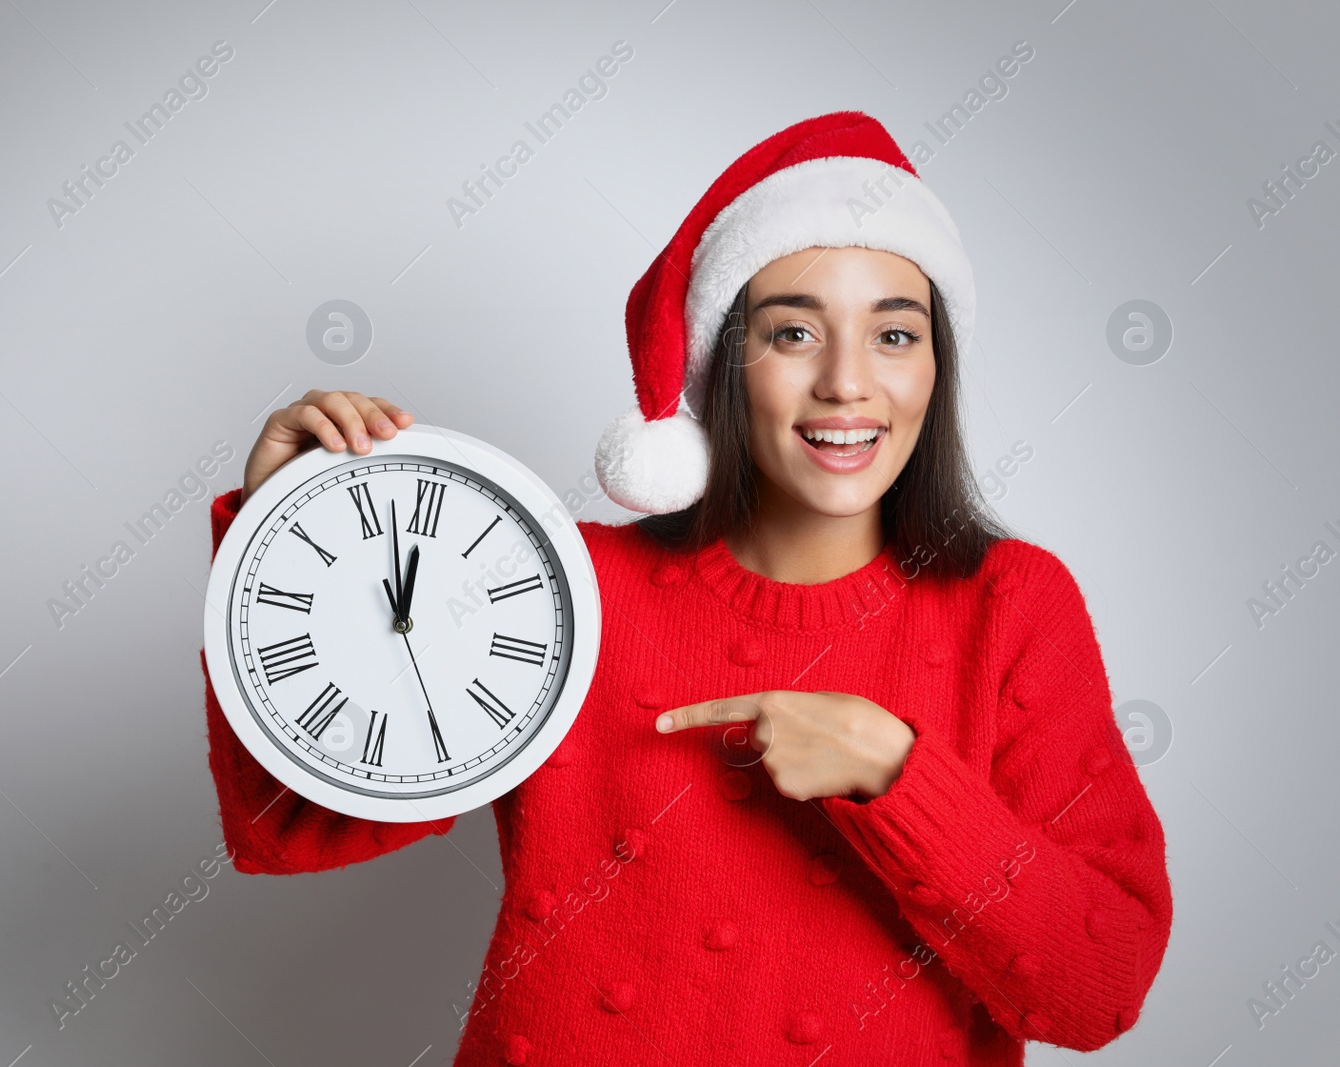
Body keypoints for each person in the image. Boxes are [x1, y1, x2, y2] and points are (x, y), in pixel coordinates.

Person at [199, 111, 1172, 1065]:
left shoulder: (1008, 602)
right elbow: (287, 828)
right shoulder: (561, 580)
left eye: (894, 335)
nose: (846, 381)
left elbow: (1099, 986)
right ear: (720, 367)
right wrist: (280, 533)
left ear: (934, 367)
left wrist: (897, 775)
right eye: (793, 333)